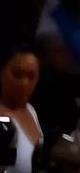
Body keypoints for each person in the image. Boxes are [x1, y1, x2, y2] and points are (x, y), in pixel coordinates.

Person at [0, 42, 43, 173]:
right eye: (17, 74)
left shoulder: (31, 110)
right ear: (2, 72)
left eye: (31, 76)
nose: (24, 83)